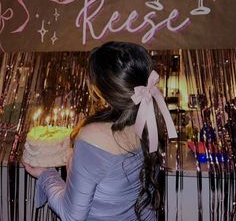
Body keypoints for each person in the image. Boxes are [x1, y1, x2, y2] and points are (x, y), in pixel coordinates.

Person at [24, 41, 177, 221]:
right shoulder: (146, 121)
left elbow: (72, 215)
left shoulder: (93, 135)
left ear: (99, 89)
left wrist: (46, 174)